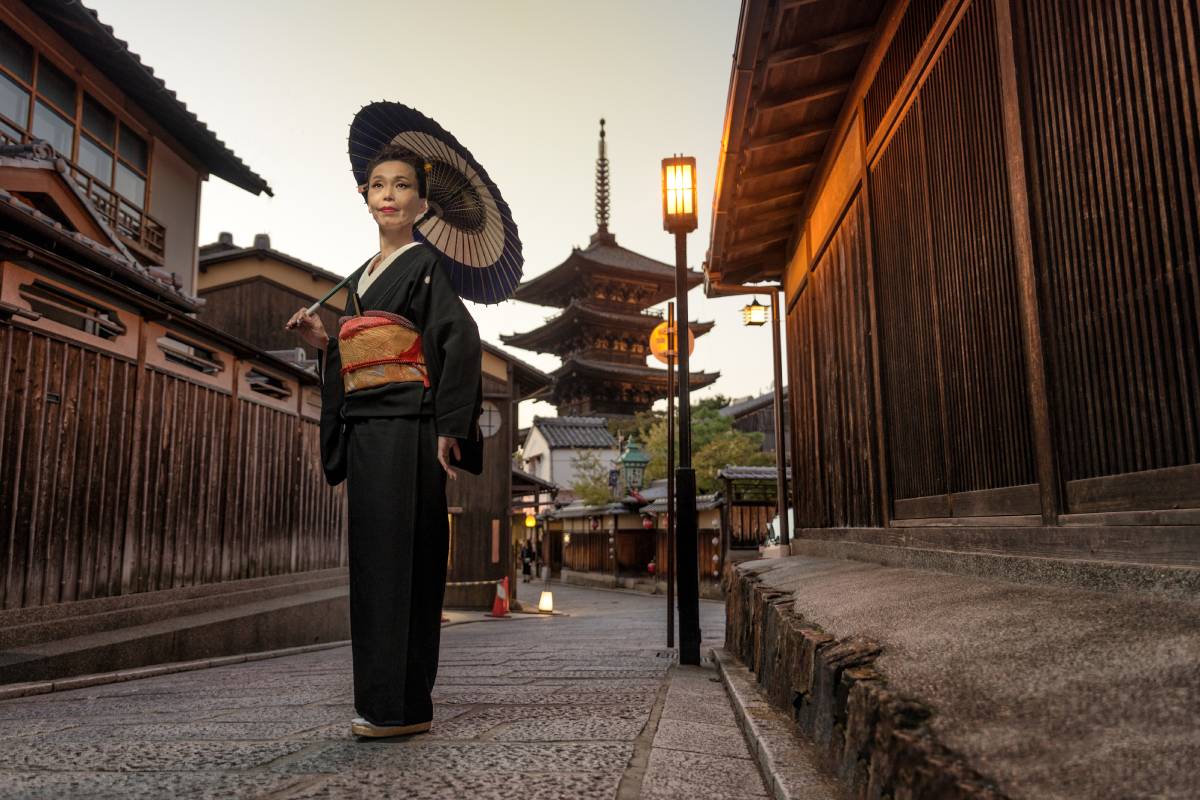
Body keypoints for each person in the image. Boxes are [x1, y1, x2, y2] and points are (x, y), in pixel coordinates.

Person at [285, 145, 481, 739]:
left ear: (422, 203)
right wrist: (325, 342)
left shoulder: (426, 266)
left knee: (406, 561)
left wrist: (450, 427)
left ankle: (403, 707)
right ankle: (378, 703)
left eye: (402, 185)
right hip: (368, 429)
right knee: (374, 565)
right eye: (377, 185)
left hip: (411, 429)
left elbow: (460, 340)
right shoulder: (361, 278)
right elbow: (359, 355)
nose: (389, 194)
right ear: (366, 199)